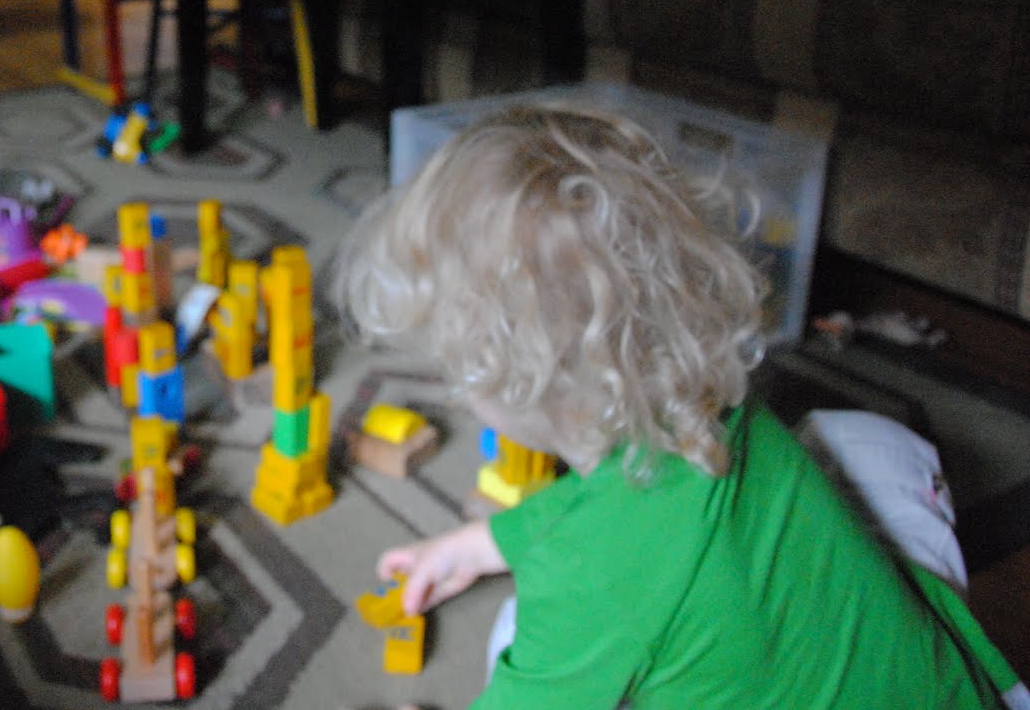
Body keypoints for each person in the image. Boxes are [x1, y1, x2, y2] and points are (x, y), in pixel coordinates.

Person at [331, 104, 1027, 709]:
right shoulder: (712, 403)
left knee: (512, 631)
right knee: (854, 441)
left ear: (507, 382)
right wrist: (485, 544)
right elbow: (612, 503)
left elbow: (593, 559)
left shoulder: (585, 583)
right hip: (948, 691)